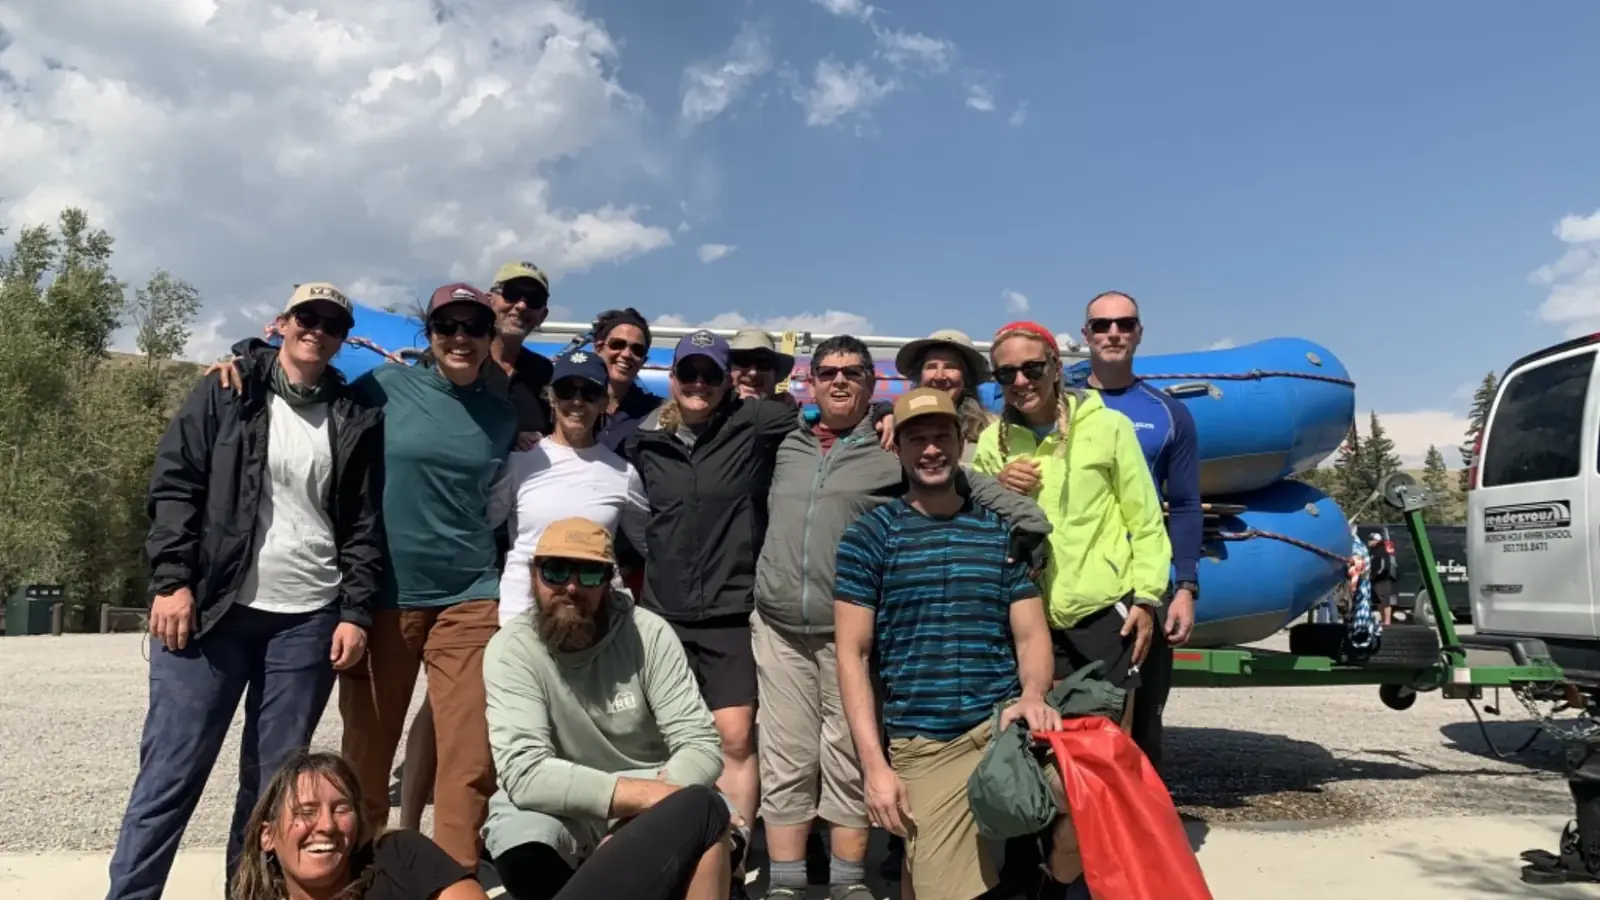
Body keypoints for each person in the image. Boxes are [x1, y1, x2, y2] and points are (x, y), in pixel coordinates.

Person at [108, 282, 383, 900]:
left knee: (272, 793)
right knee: (170, 775)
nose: (317, 330)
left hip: (309, 616)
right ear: (282, 322)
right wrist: (173, 582)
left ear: (343, 338)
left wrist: (355, 610)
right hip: (212, 612)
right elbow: (175, 485)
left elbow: (364, 523)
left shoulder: (354, 413)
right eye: (306, 317)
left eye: (332, 323)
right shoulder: (227, 390)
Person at [752, 336, 1050, 900]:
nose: (839, 380)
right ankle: (786, 885)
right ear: (810, 381)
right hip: (783, 624)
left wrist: (1028, 531)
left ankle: (847, 883)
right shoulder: (785, 441)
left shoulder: (888, 447)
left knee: (845, 757)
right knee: (786, 756)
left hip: (848, 628)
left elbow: (967, 483)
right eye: (827, 371)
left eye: (854, 371)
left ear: (872, 384)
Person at [832, 387, 1070, 900]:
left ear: (961, 442)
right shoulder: (869, 537)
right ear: (897, 448)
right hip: (927, 743)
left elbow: (1030, 634)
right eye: (917, 439)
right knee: (937, 885)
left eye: (942, 436)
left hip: (1001, 727)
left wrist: (1032, 695)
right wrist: (875, 766)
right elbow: (853, 655)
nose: (931, 449)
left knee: (1099, 793)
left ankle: (1061, 874)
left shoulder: (1001, 532)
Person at [339, 283, 518, 871]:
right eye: (448, 327)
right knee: (368, 749)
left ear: (491, 338)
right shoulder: (384, 388)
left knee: (469, 757)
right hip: (386, 595)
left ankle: (452, 877)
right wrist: (248, 356)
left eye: (474, 327)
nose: (461, 338)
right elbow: (309, 393)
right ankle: (362, 870)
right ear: (430, 334)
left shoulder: (501, 415)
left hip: (469, 596)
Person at [626, 329, 830, 832]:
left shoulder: (754, 422)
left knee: (736, 737)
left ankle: (733, 853)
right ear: (673, 379)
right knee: (662, 735)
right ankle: (666, 844)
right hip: (663, 613)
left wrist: (883, 419)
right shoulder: (643, 437)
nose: (699, 383)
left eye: (710, 374)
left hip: (730, 610)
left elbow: (817, 414)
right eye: (689, 373)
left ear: (726, 382)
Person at [482, 517, 731, 900]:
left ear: (609, 579)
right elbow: (525, 772)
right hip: (560, 802)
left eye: (589, 574)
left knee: (710, 819)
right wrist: (645, 798)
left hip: (654, 782)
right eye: (555, 570)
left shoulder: (648, 633)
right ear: (533, 576)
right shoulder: (511, 650)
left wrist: (636, 817)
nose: (571, 586)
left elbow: (699, 742)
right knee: (520, 844)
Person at [400, 260, 558, 831]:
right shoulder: (432, 366)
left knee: (473, 711)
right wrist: (256, 353)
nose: (520, 305)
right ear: (493, 300)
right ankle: (408, 826)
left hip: (510, 565)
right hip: (449, 565)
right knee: (440, 713)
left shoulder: (547, 376)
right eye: (511, 294)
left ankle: (482, 832)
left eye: (532, 299)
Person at [972, 319, 1171, 715]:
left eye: (1033, 368)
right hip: (1029, 616)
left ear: (1056, 367)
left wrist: (1147, 599)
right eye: (1007, 373)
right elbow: (974, 526)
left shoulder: (1108, 426)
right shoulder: (992, 443)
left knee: (1109, 739)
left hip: (1103, 610)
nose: (1021, 381)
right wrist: (996, 486)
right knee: (1046, 743)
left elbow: (1145, 518)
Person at [232, 749, 736, 900]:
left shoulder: (394, 855)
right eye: (304, 813)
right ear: (267, 836)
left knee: (700, 809)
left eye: (340, 808)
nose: (326, 826)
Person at [1061, 291, 1201, 776]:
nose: (1112, 333)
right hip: (1067, 584)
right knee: (1060, 719)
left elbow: (1183, 505)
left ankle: (1139, 844)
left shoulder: (1167, 413)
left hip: (1138, 586)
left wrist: (1183, 586)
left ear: (1139, 331)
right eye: (1101, 326)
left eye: (1124, 324)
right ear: (1086, 336)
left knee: (1141, 726)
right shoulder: (1062, 400)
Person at [494, 348, 650, 626]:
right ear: (551, 397)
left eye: (589, 393)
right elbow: (483, 525)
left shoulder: (623, 473)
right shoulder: (519, 461)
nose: (577, 401)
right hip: (523, 614)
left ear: (604, 402)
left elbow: (650, 545)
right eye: (566, 391)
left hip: (597, 616)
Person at [894, 328, 996, 465]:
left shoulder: (992, 429)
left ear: (966, 378)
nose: (939, 376)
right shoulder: (896, 424)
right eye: (931, 366)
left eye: (950, 366)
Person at [587, 308, 663, 455]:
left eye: (637, 350)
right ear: (598, 348)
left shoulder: (656, 412)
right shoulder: (571, 402)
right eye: (617, 344)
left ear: (643, 361)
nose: (627, 354)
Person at [729, 326, 796, 400]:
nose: (752, 373)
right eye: (743, 360)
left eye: (764, 364)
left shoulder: (790, 409)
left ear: (775, 375)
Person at [1366, 530, 1397, 626]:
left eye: (1371, 540)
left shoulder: (1382, 550)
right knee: (1378, 601)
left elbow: (1383, 566)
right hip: (1374, 579)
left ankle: (1387, 621)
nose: (1369, 541)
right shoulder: (1372, 551)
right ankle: (1383, 619)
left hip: (1382, 579)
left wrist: (1377, 574)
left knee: (1385, 600)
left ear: (1376, 540)